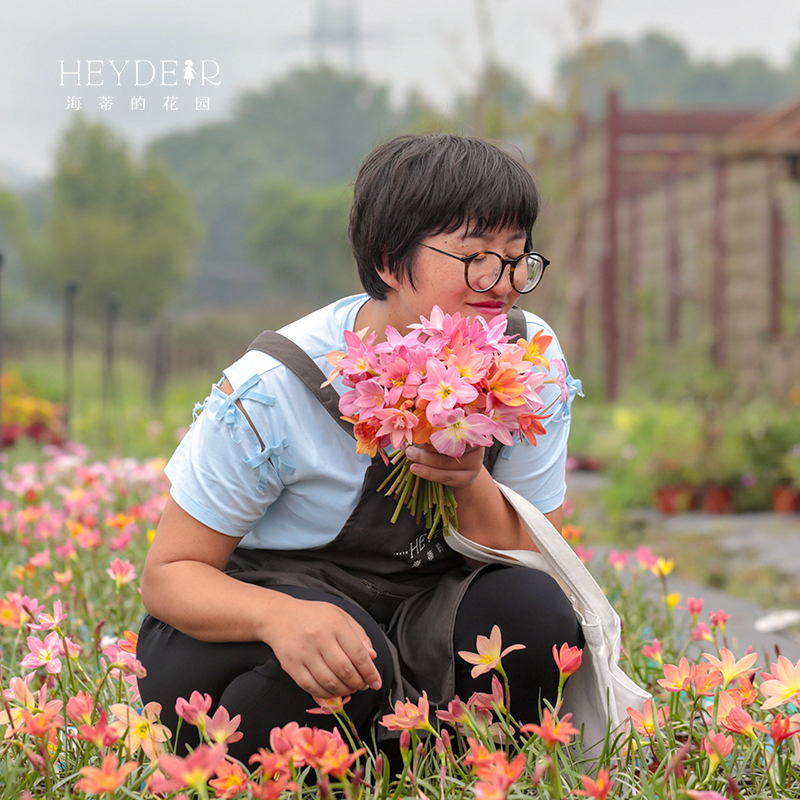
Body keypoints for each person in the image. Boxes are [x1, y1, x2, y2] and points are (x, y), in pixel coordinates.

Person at [137, 133, 584, 762]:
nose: (500, 282)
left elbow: (539, 554)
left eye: (515, 257)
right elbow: (169, 576)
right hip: (261, 614)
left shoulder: (527, 358)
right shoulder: (275, 386)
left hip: (427, 610)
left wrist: (470, 478)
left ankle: (446, 765)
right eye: (473, 255)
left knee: (535, 613)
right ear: (387, 261)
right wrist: (278, 618)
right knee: (343, 658)